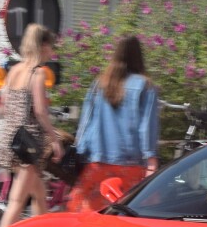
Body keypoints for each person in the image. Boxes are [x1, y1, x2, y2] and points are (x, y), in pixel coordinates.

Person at [67, 35, 161, 212]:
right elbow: (147, 127)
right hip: (131, 165)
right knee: (128, 217)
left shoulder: (99, 85)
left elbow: (86, 123)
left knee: (88, 216)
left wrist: (80, 151)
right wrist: (151, 161)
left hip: (97, 162)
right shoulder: (146, 86)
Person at [0, 23, 65, 227]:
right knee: (16, 201)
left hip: (11, 139)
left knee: (40, 195)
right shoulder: (38, 73)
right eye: (51, 46)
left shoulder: (14, 70)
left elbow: (2, 108)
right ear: (42, 46)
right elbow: (41, 112)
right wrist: (55, 139)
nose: (52, 51)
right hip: (29, 144)